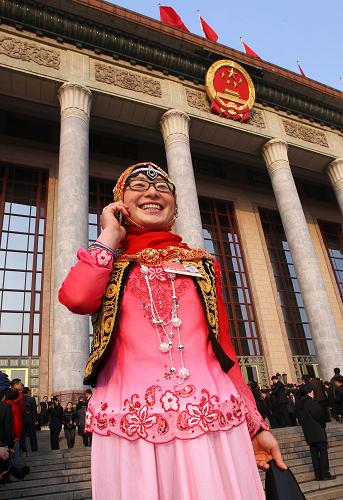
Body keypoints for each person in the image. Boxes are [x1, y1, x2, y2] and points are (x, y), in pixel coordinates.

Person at [59, 162, 286, 500]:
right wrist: (109, 235)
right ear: (120, 201)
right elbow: (76, 297)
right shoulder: (111, 264)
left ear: (175, 206)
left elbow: (224, 352)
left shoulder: (203, 266)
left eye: (163, 187)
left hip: (213, 425)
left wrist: (255, 426)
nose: (152, 191)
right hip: (135, 433)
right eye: (138, 185)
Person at [299, 386, 335, 481]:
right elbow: (319, 415)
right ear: (309, 392)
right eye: (312, 392)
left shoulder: (300, 405)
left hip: (309, 434)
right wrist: (323, 425)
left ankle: (318, 475)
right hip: (317, 431)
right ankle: (325, 474)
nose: (313, 393)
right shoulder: (311, 402)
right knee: (323, 452)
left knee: (314, 454)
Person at [20, 387, 38, 453]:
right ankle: (34, 448)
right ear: (28, 392)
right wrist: (35, 419)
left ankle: (24, 449)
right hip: (31, 419)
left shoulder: (20, 399)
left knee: (23, 436)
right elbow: (34, 410)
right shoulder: (32, 399)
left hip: (22, 420)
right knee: (32, 435)